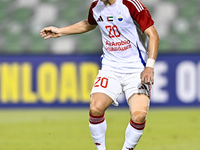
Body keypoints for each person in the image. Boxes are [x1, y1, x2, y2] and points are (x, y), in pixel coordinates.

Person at [40, 0, 160, 149]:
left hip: (136, 70)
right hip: (110, 69)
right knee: (95, 108)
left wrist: (149, 67)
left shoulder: (130, 4)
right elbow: (89, 23)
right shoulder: (96, 6)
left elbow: (153, 35)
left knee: (139, 115)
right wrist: (61, 31)